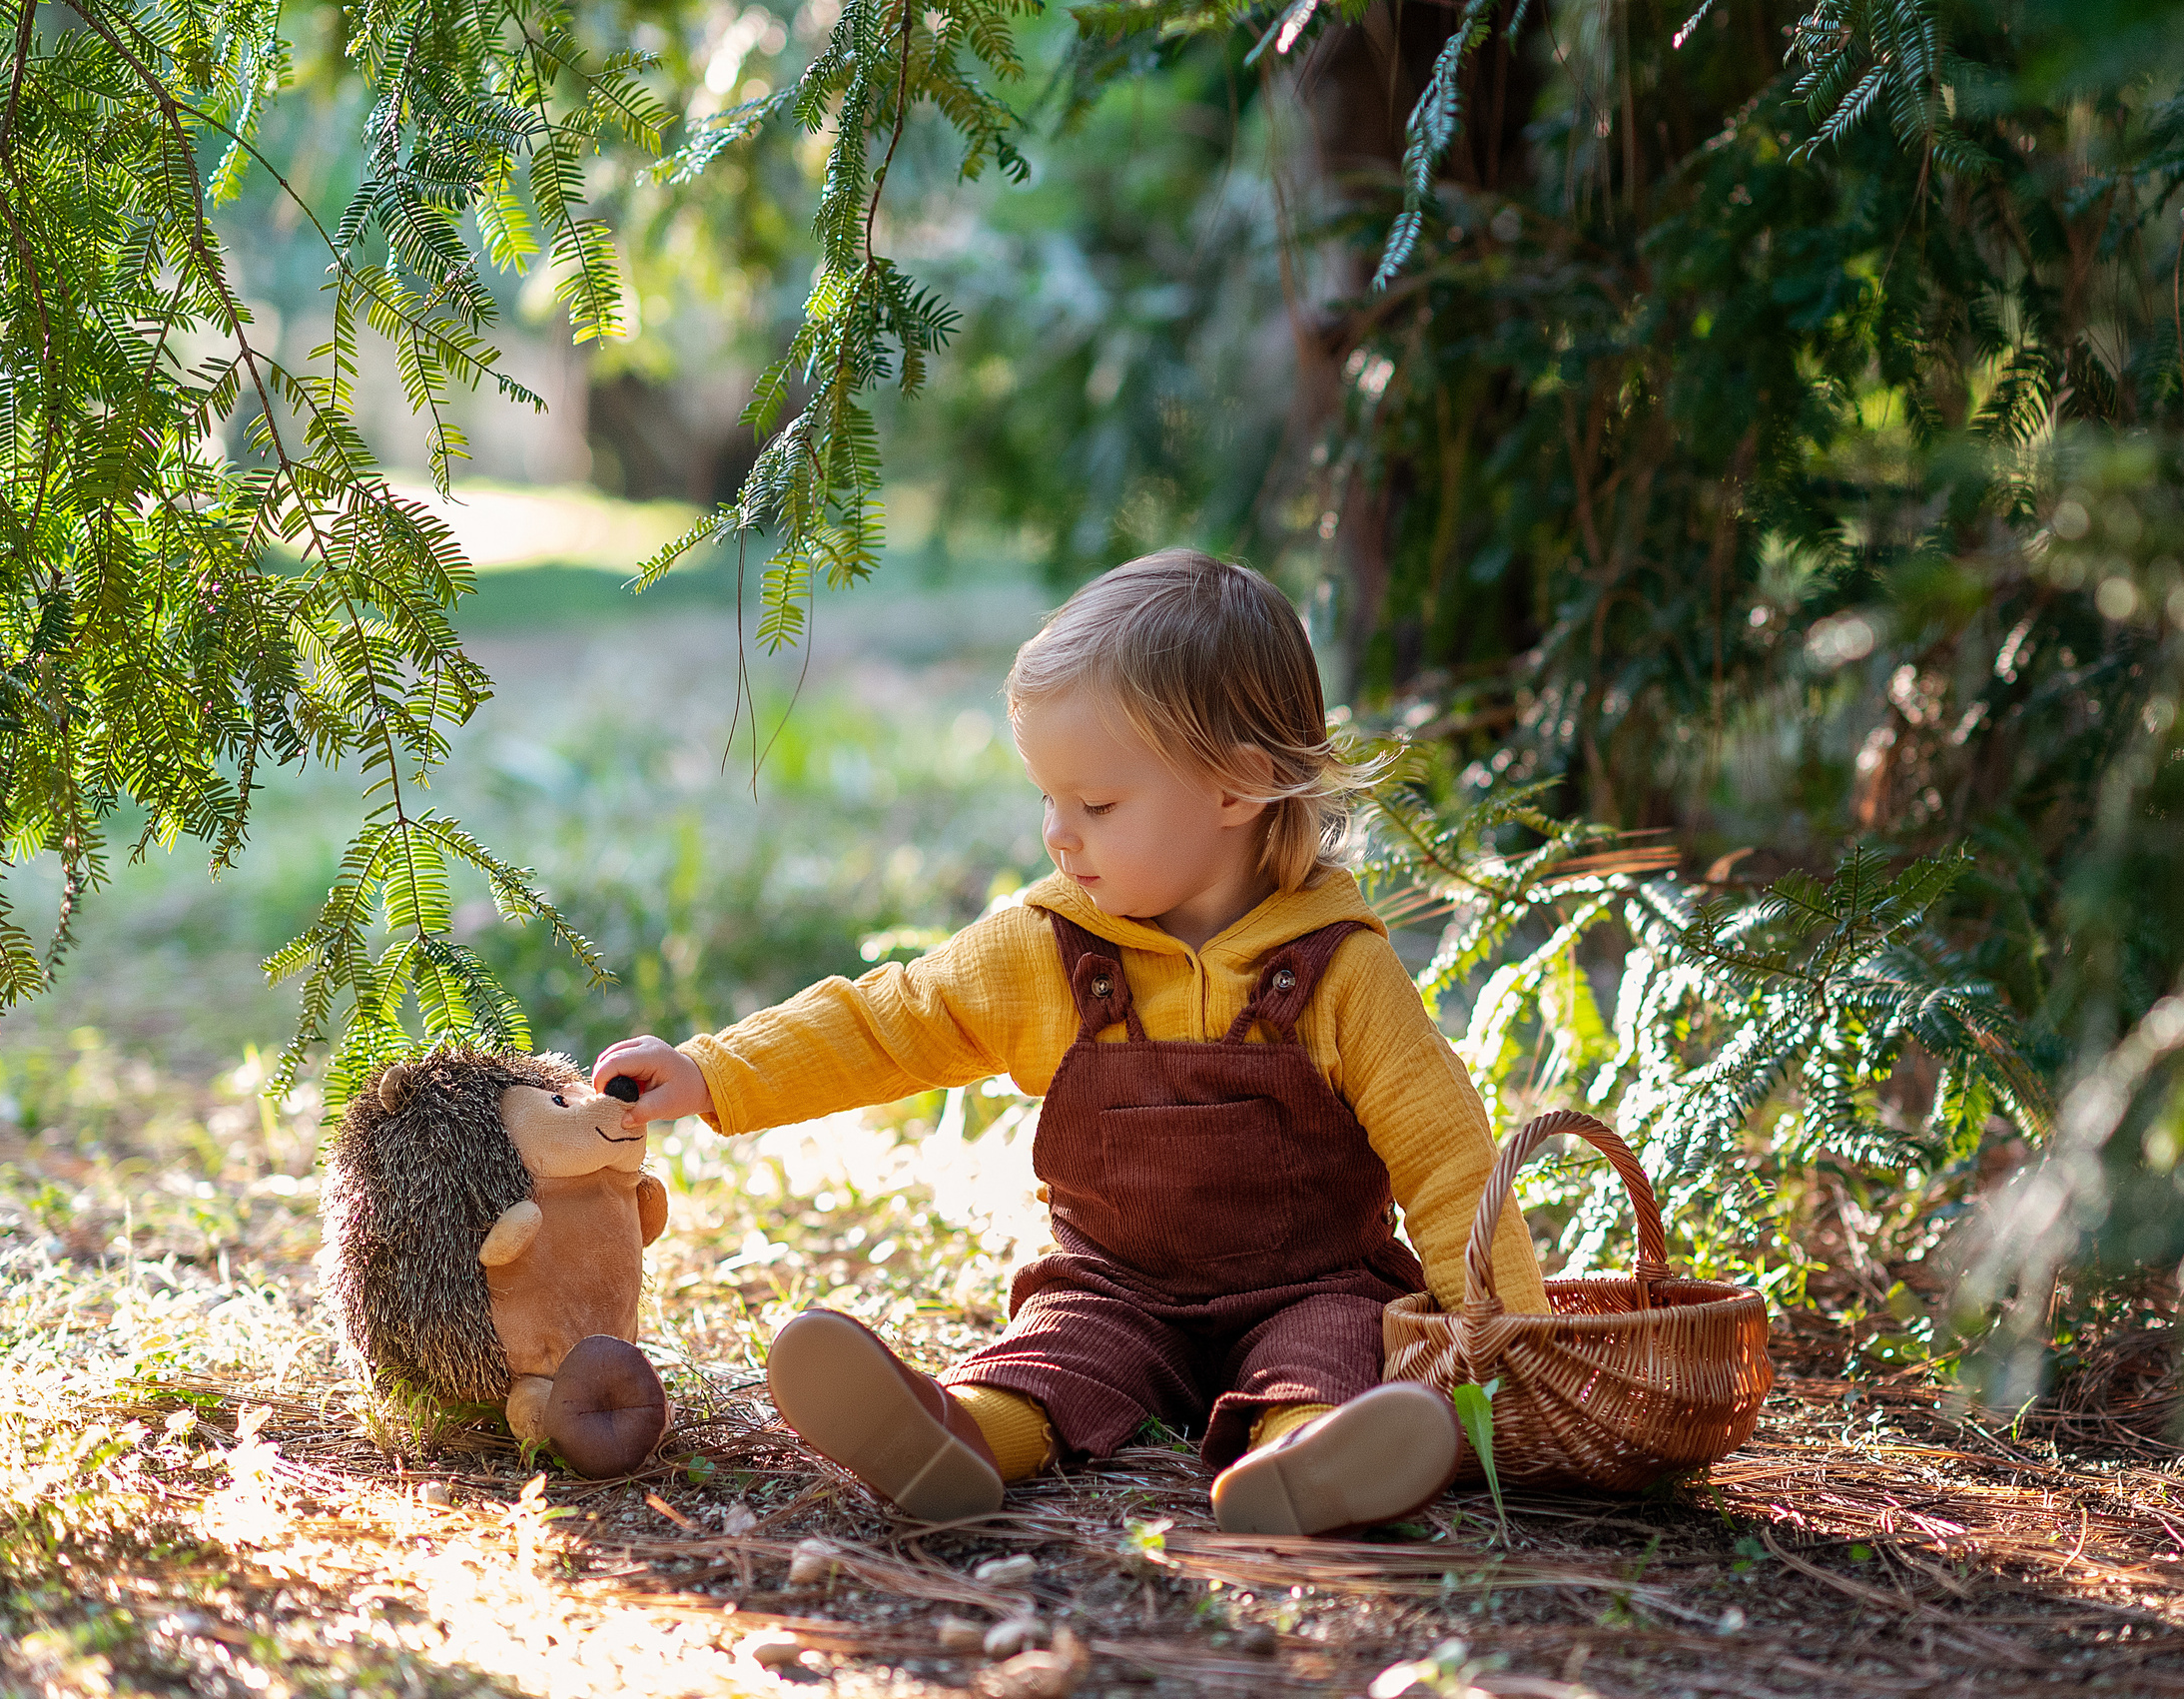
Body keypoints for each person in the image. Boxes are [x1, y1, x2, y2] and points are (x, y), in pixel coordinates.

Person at [594, 548, 1550, 1535]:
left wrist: (1512, 1335)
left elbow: (1445, 1150)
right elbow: (892, 1018)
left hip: (1311, 1284)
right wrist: (716, 1068)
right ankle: (955, 1434)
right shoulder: (1050, 951)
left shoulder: (1335, 970)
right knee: (1053, 1355)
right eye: (1048, 798)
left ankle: (1312, 1461)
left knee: (1331, 1354)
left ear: (1238, 787)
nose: (1058, 832)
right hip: (1113, 1286)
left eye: (1096, 805)